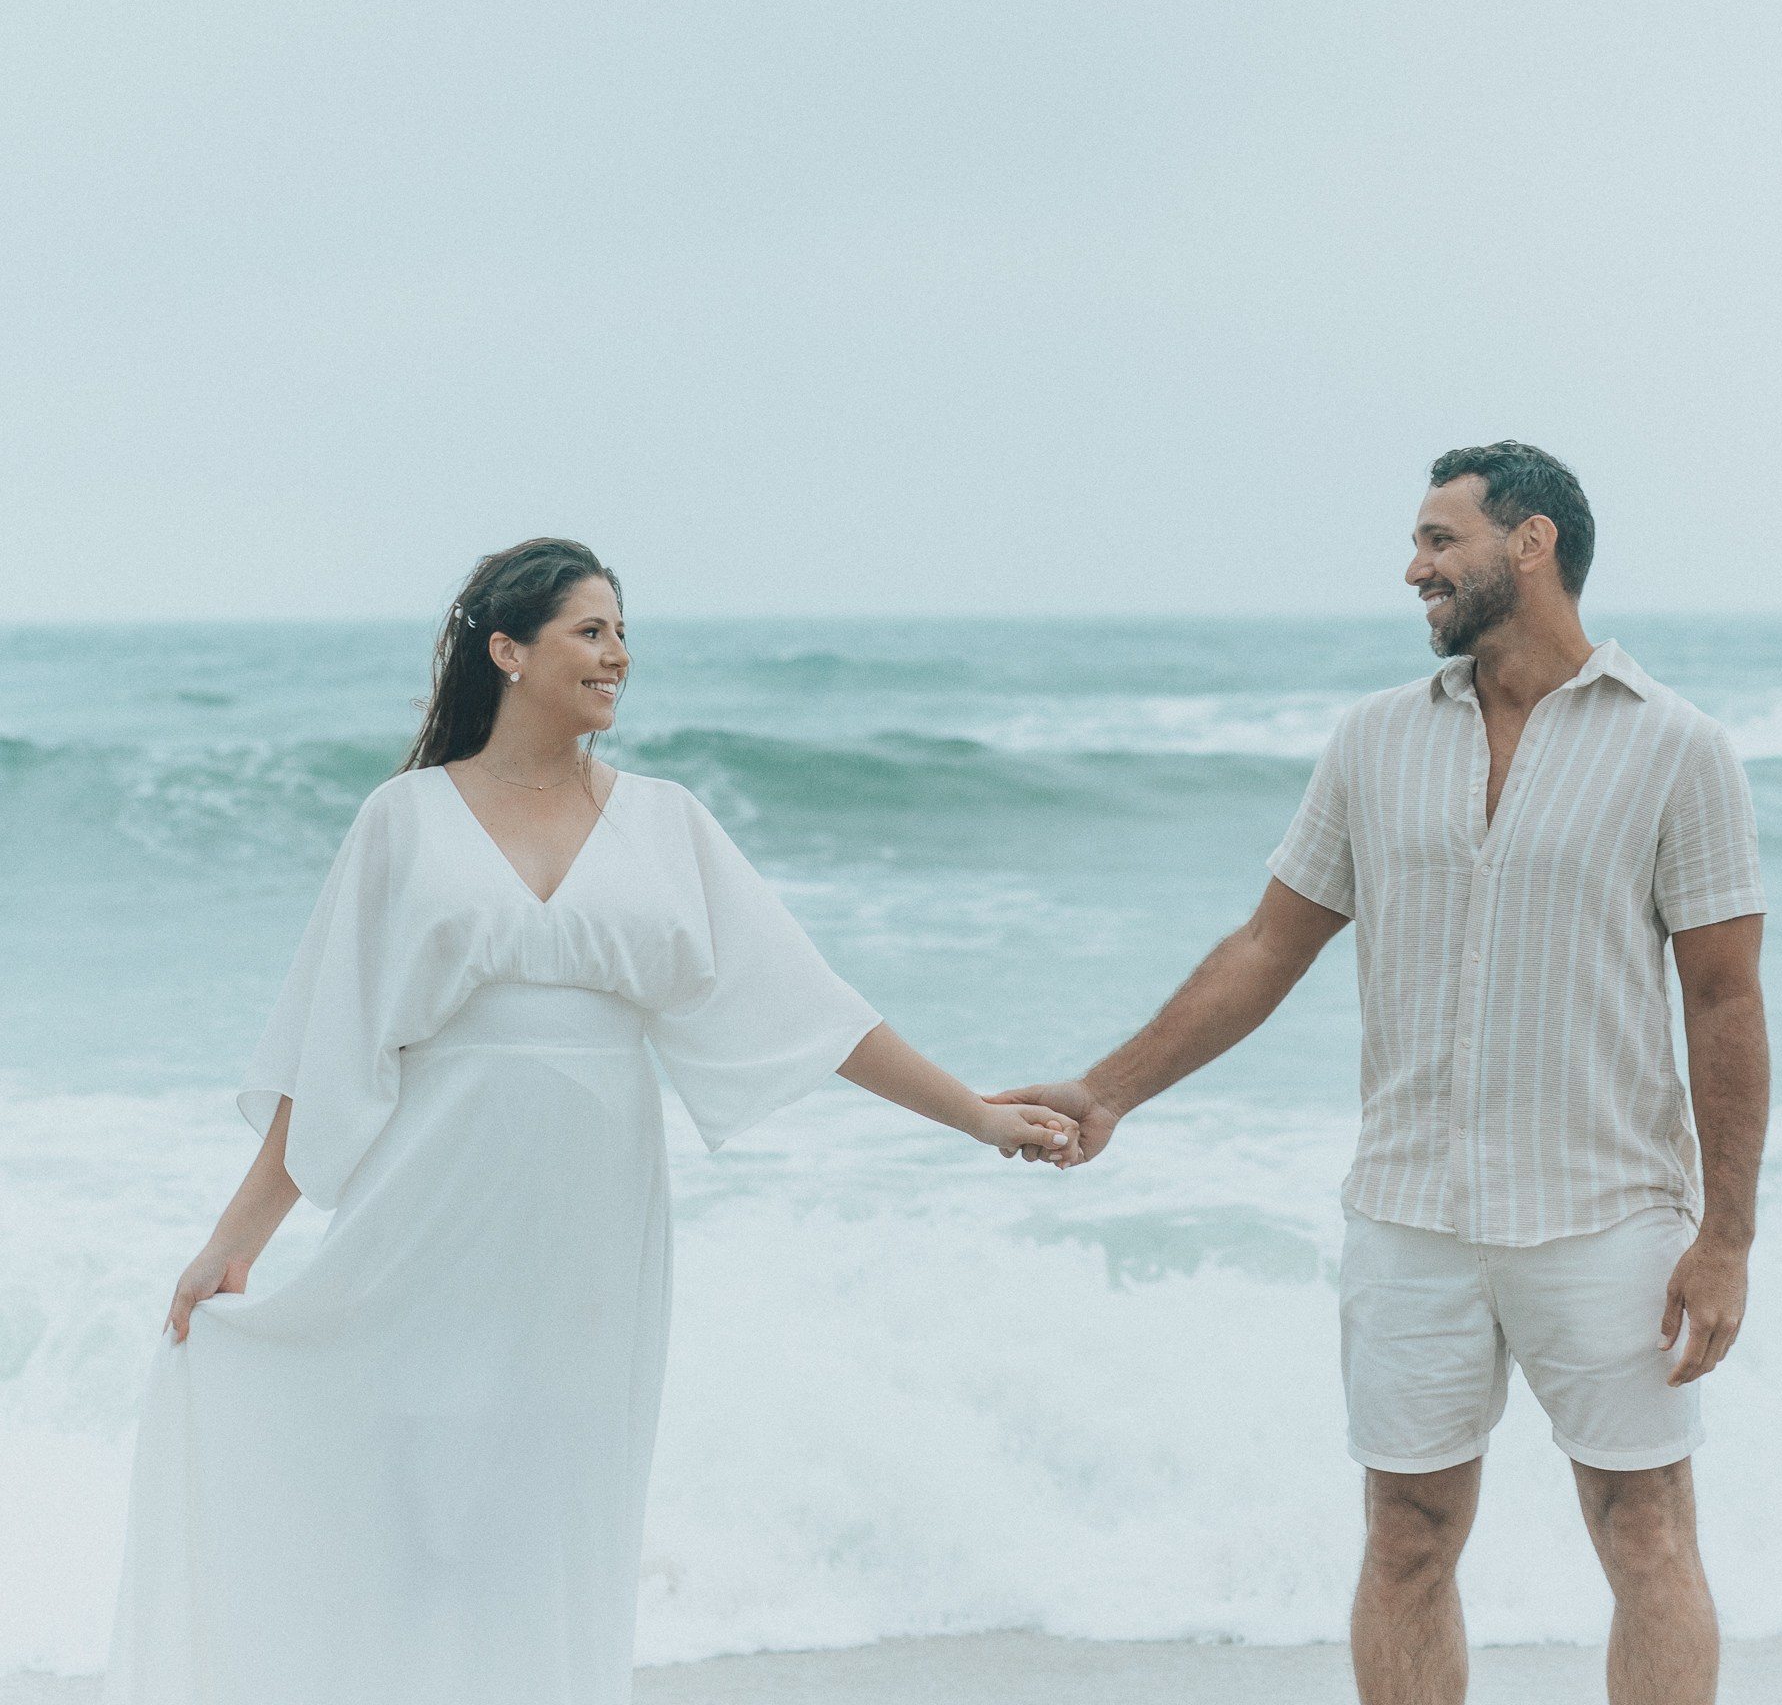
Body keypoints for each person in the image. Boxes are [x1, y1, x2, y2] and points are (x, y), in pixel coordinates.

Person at [106, 536, 1080, 1705]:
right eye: (591, 628)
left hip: (590, 1218)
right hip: (430, 1198)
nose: (618, 653)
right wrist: (236, 1240)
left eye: (623, 630)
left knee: (557, 1505)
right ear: (508, 650)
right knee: (418, 1491)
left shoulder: (668, 822)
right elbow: (331, 1054)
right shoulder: (403, 818)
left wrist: (973, 1113)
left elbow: (812, 1012)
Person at [996, 442, 1768, 1705]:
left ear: (1531, 544)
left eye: (1438, 539)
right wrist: (1111, 1086)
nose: (1414, 567)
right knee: (1408, 1534)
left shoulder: (1677, 746)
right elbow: (1267, 944)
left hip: (1611, 1209)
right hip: (1411, 1211)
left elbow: (1724, 999)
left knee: (1646, 1531)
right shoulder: (1372, 739)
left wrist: (1726, 1234)